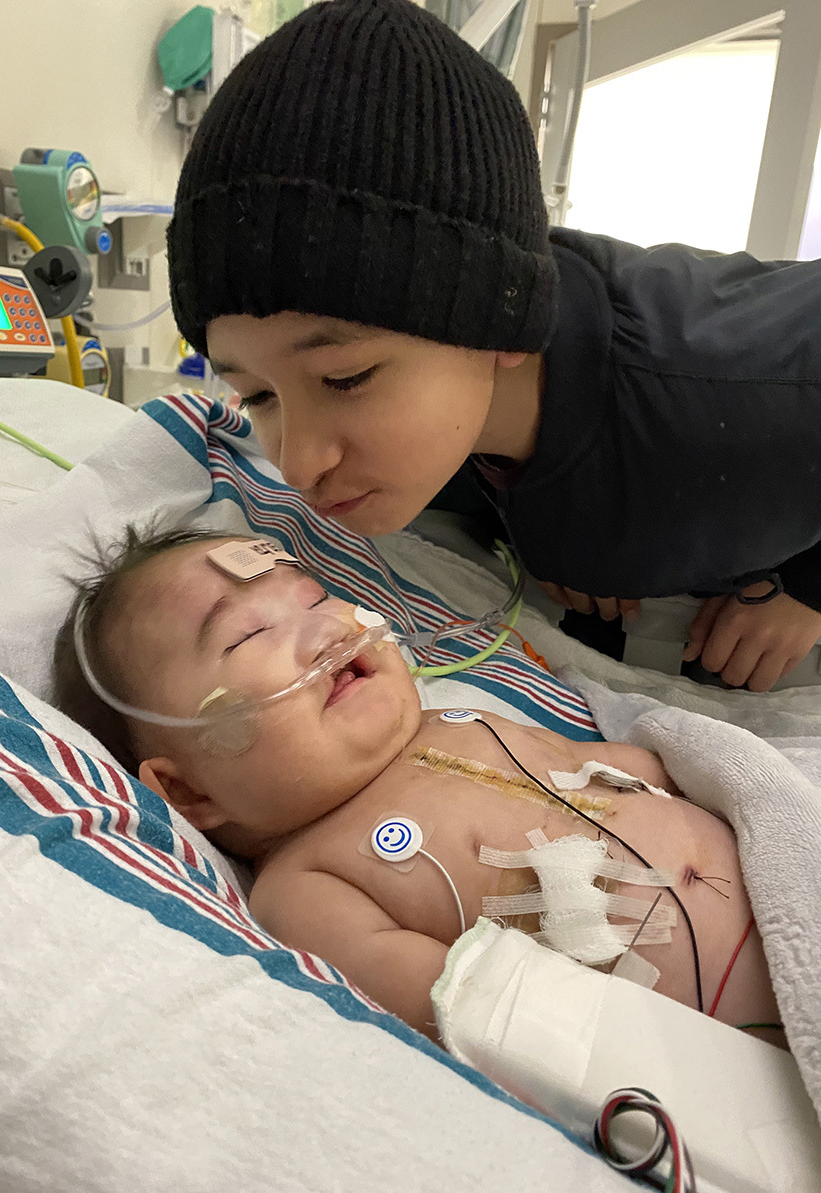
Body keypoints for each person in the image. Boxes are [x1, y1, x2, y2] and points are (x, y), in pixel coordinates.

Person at [165, 0, 821, 695]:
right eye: (258, 395)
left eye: (346, 379)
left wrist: (808, 591)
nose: (300, 462)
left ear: (502, 324)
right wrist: (568, 536)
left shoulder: (728, 390)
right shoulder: (444, 413)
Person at [52, 528, 784, 1045]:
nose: (326, 631)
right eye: (246, 638)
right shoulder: (309, 886)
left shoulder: (460, 717)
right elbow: (491, 1025)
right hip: (721, 1040)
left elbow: (628, 766)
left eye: (314, 599)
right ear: (189, 795)